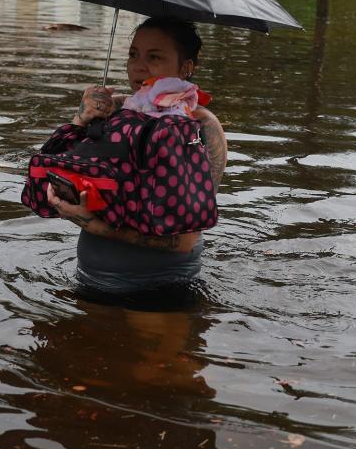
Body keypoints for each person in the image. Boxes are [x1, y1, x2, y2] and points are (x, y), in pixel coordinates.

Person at [45, 16, 228, 293]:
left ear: (186, 67)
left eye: (154, 57)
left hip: (161, 285)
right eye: (133, 55)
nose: (138, 67)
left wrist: (94, 226)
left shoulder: (199, 126)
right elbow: (57, 168)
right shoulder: (113, 110)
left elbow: (184, 239)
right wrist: (81, 119)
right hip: (91, 276)